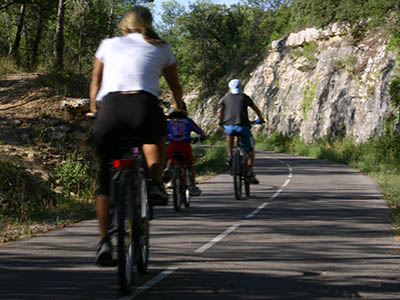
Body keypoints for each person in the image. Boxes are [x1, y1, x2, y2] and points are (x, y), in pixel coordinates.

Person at [88, 6, 184, 266]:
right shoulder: (162, 47)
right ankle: (153, 182)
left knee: (104, 179)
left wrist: (94, 109)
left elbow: (96, 82)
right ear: (148, 24)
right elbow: (175, 87)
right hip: (144, 107)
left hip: (110, 110)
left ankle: (104, 242)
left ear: (124, 25)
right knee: (156, 137)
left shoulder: (107, 45)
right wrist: (179, 107)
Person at [218, 78, 265, 184]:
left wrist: (221, 121)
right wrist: (260, 119)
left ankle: (230, 155)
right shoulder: (244, 97)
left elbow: (221, 110)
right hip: (243, 126)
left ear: (229, 88)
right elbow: (256, 109)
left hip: (229, 126)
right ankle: (250, 171)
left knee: (229, 133)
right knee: (250, 151)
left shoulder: (225, 98)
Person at [163, 107, 206, 196]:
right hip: (184, 145)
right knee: (190, 166)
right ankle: (193, 186)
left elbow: (164, 133)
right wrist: (202, 137)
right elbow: (200, 132)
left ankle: (167, 169)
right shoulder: (188, 121)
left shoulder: (170, 122)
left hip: (173, 145)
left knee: (171, 158)